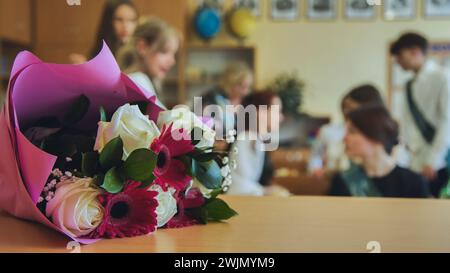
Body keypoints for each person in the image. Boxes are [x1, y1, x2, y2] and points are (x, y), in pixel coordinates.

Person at [391, 32, 450, 197]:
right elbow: (406, 125)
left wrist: (433, 160)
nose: (398, 61)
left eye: (400, 55)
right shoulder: (408, 85)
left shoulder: (443, 77)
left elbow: (447, 121)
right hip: (412, 161)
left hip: (436, 162)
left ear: (415, 51)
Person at [328, 105, 429, 198]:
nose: (344, 138)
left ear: (375, 135)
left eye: (352, 131)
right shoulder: (342, 181)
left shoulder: (413, 183)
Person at [308, 84, 387, 177]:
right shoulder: (328, 131)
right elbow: (315, 156)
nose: (347, 112)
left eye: (352, 109)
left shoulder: (382, 134)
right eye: (345, 107)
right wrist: (316, 169)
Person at [227, 90, 289, 196]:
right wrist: (265, 191)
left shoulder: (255, 139)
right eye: (277, 111)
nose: (281, 117)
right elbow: (240, 186)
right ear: (260, 112)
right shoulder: (246, 139)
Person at [117, 16, 181, 109]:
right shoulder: (138, 80)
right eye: (164, 51)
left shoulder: (144, 81)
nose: (172, 61)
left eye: (173, 54)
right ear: (142, 47)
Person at [197, 62, 253, 148]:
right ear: (230, 83)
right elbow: (201, 128)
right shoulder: (210, 98)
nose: (245, 92)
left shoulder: (248, 101)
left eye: (247, 87)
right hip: (215, 150)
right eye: (241, 87)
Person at [69, 0, 139, 64]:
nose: (125, 26)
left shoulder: (140, 52)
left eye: (131, 20)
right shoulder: (101, 52)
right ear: (108, 21)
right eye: (119, 19)